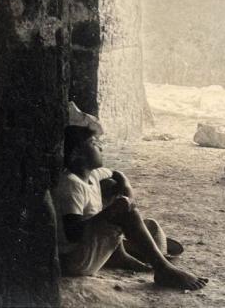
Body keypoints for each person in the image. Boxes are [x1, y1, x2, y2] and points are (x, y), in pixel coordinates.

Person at [53, 123, 208, 291]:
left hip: (87, 250)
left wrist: (126, 190)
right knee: (125, 212)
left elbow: (117, 174)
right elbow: (72, 233)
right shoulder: (71, 185)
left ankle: (119, 255)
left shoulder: (93, 174)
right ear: (77, 154)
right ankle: (163, 269)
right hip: (75, 260)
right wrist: (110, 212)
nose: (100, 146)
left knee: (113, 188)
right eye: (93, 143)